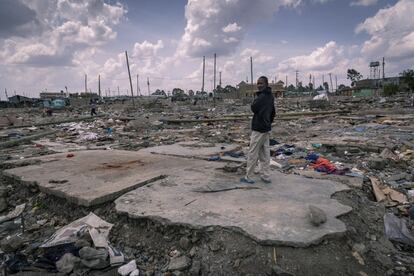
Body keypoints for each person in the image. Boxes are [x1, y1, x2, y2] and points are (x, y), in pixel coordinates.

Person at [241, 76, 275, 184]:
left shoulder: (262, 96)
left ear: (266, 84)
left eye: (261, 83)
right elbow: (273, 112)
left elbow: (253, 108)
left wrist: (257, 96)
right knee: (265, 153)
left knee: (253, 152)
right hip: (266, 127)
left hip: (259, 128)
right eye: (258, 83)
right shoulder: (270, 96)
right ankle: (265, 175)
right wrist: (268, 122)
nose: (259, 85)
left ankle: (248, 176)